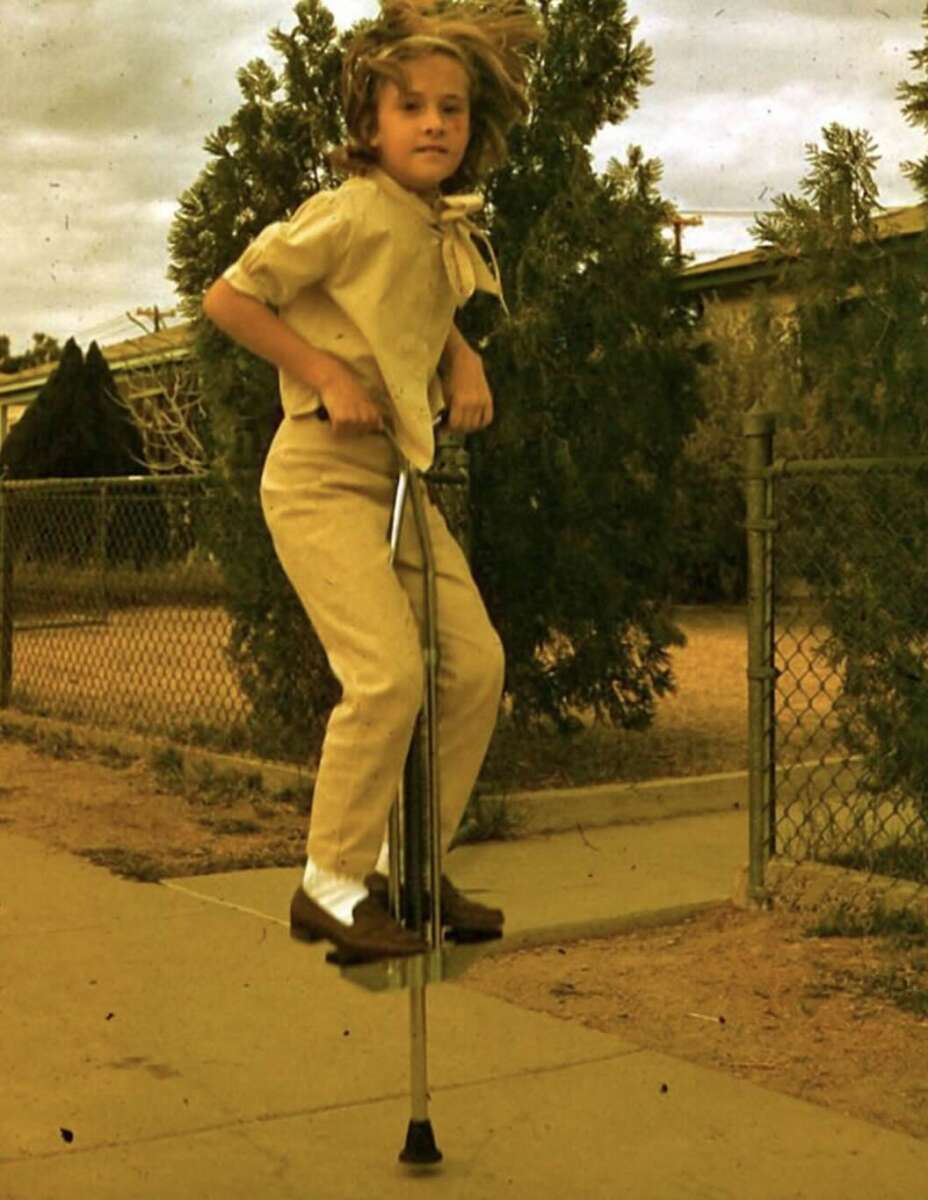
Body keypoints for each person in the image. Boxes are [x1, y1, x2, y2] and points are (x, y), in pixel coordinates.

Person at [202, 0, 544, 963]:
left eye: (453, 109)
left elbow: (404, 317)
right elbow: (229, 295)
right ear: (371, 124)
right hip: (317, 475)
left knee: (473, 666)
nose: (435, 124)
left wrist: (460, 355)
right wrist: (322, 373)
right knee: (387, 675)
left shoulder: (436, 227)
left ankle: (412, 870)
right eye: (412, 107)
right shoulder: (349, 211)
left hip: (396, 483)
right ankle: (331, 881)